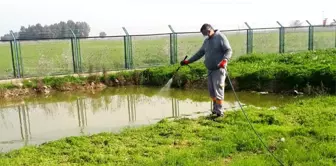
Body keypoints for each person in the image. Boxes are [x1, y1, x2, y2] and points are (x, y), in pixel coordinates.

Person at [180, 23, 232, 117]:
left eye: (206, 33)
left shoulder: (220, 37)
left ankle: (220, 113)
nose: (205, 35)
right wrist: (188, 61)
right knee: (212, 91)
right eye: (204, 34)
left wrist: (225, 60)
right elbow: (200, 53)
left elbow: (228, 50)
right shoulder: (207, 41)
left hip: (218, 69)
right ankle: (215, 110)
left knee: (218, 90)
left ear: (209, 30)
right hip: (210, 70)